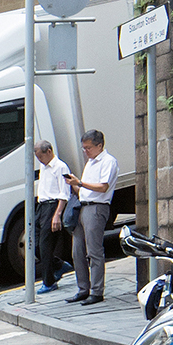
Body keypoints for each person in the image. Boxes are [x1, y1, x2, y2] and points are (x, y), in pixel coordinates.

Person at [69, 128, 117, 303]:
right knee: (77, 251)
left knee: (94, 251)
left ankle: (97, 291)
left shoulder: (108, 162)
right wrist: (73, 184)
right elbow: (85, 188)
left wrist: (80, 182)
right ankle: (83, 288)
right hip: (83, 205)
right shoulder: (90, 162)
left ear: (99, 145)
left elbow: (103, 187)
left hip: (97, 207)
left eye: (88, 148)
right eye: (84, 148)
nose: (86, 151)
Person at [33, 138, 71, 289]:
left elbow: (64, 193)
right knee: (35, 244)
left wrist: (57, 214)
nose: (40, 160)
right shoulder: (44, 167)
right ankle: (59, 265)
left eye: (41, 157)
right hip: (41, 206)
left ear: (49, 151)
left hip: (52, 206)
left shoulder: (60, 167)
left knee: (45, 245)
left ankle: (48, 282)